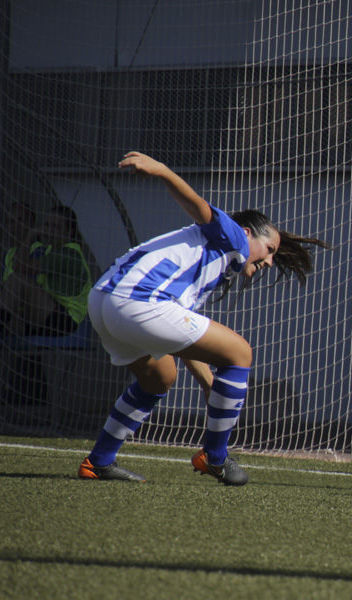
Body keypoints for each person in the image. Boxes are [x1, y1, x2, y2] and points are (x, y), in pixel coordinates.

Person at [78, 151, 329, 485]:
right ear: (248, 233)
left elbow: (178, 336)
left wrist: (207, 382)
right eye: (269, 250)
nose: (269, 262)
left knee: (159, 378)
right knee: (240, 353)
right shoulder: (234, 237)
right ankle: (216, 457)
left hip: (103, 300)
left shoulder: (208, 258)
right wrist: (163, 171)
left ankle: (99, 462)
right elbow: (198, 206)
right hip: (138, 302)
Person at [0, 204, 93, 338]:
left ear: (70, 231)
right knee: (7, 323)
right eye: (47, 225)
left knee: (17, 278)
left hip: (65, 320)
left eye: (56, 227)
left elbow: (18, 267)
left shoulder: (68, 254)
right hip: (44, 316)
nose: (49, 231)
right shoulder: (52, 250)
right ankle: (26, 358)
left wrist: (31, 234)